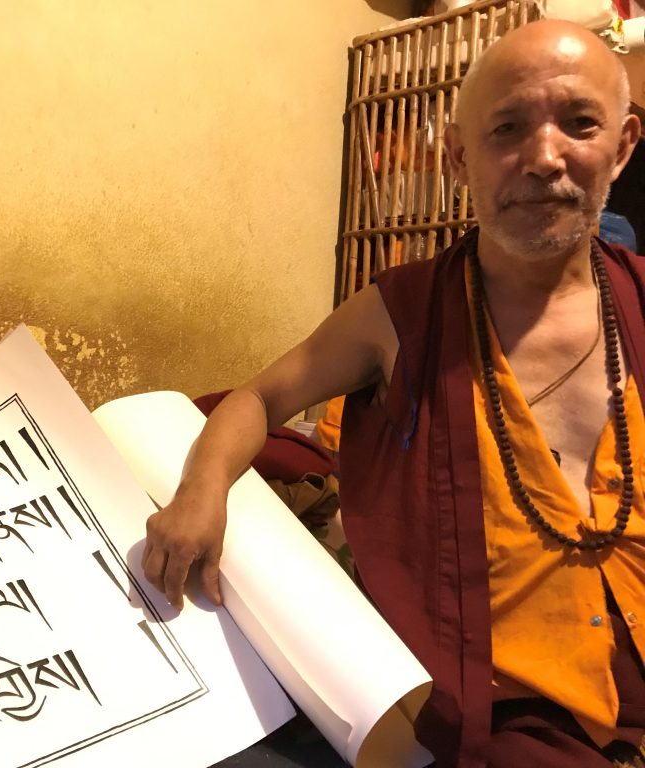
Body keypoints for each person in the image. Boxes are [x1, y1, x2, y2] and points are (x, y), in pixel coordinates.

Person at [142, 19, 645, 768]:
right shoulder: (401, 313)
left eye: (579, 122)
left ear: (624, 145)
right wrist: (200, 492)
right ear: (458, 156)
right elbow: (258, 400)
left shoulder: (638, 302)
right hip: (495, 724)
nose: (545, 158)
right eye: (507, 128)